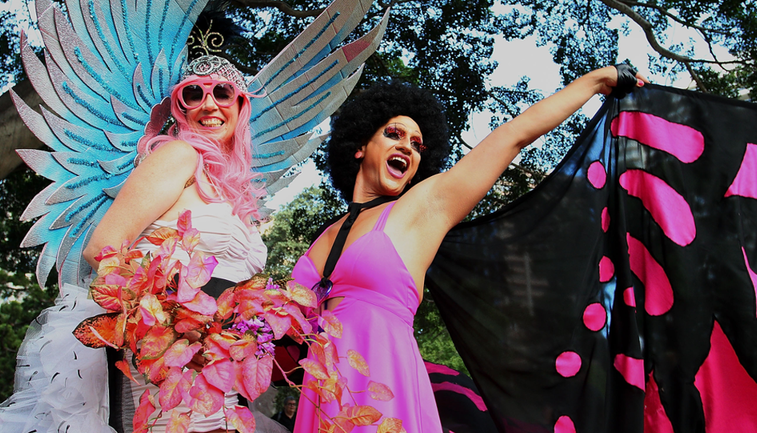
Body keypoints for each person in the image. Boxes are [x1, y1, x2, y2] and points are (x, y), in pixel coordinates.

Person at [291, 65, 647, 431]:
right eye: (394, 133)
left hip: (384, 388)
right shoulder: (325, 235)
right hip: (323, 394)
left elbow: (513, 137)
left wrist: (595, 81)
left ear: (416, 169)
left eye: (417, 144)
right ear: (359, 147)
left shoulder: (421, 209)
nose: (406, 146)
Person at [82, 55, 267, 433]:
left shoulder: (235, 193)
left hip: (222, 376)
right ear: (180, 108)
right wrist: (173, 327)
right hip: (169, 368)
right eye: (193, 94)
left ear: (241, 105)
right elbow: (100, 249)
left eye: (223, 93)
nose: (209, 104)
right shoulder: (178, 156)